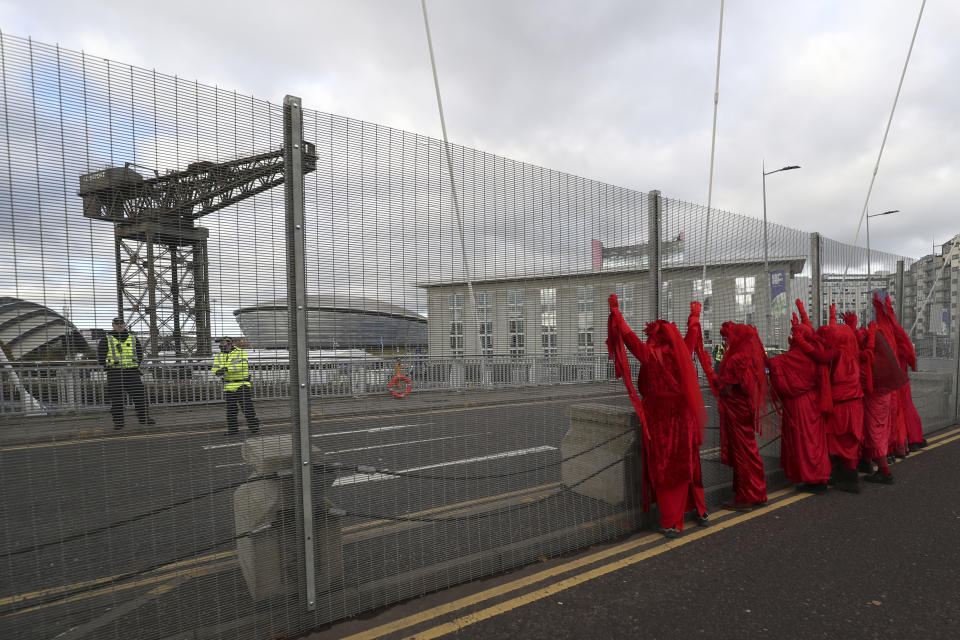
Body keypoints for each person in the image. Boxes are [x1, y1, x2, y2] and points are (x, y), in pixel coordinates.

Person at [607, 296, 710, 538]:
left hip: (661, 418)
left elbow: (630, 340)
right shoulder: (682, 353)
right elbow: (693, 336)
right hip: (684, 416)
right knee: (689, 463)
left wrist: (617, 314)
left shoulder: (650, 356)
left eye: (651, 336)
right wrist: (694, 316)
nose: (648, 339)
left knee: (666, 467)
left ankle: (670, 521)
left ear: (655, 337)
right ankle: (700, 510)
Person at [766, 301, 832, 494]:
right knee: (816, 441)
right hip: (814, 400)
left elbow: (774, 365)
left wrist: (755, 344)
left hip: (799, 405)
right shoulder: (814, 351)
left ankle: (812, 478)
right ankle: (820, 476)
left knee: (803, 442)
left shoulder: (791, 357)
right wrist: (802, 315)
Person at [702, 322, 769, 510]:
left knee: (743, 454)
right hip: (744, 410)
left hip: (736, 412)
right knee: (750, 451)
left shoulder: (736, 359)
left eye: (728, 337)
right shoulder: (749, 357)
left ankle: (746, 496)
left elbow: (725, 388)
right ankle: (757, 492)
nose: (726, 341)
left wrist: (709, 370)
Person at [817, 306, 864, 494]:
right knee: (849, 441)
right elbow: (842, 336)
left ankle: (849, 480)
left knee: (841, 441)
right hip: (855, 403)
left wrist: (805, 341)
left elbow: (820, 355)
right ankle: (845, 476)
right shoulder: (853, 353)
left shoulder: (837, 355)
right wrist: (836, 319)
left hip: (842, 404)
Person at [97, 317, 154, 429]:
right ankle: (119, 422)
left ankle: (144, 418)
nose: (120, 325)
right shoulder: (106, 339)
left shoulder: (133, 338)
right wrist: (107, 367)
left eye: (121, 324)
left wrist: (135, 366)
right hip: (114, 372)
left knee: (140, 396)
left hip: (131, 372)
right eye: (117, 324)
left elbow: (139, 354)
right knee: (116, 398)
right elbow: (101, 355)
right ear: (113, 325)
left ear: (124, 325)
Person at [211, 336, 260, 436]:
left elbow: (243, 365)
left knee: (247, 408)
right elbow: (214, 368)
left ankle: (254, 427)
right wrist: (217, 372)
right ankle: (233, 430)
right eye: (220, 344)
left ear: (229, 344)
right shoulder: (219, 356)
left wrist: (226, 369)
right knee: (230, 410)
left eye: (223, 343)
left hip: (241, 384)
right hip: (228, 386)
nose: (221, 345)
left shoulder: (240, 352)